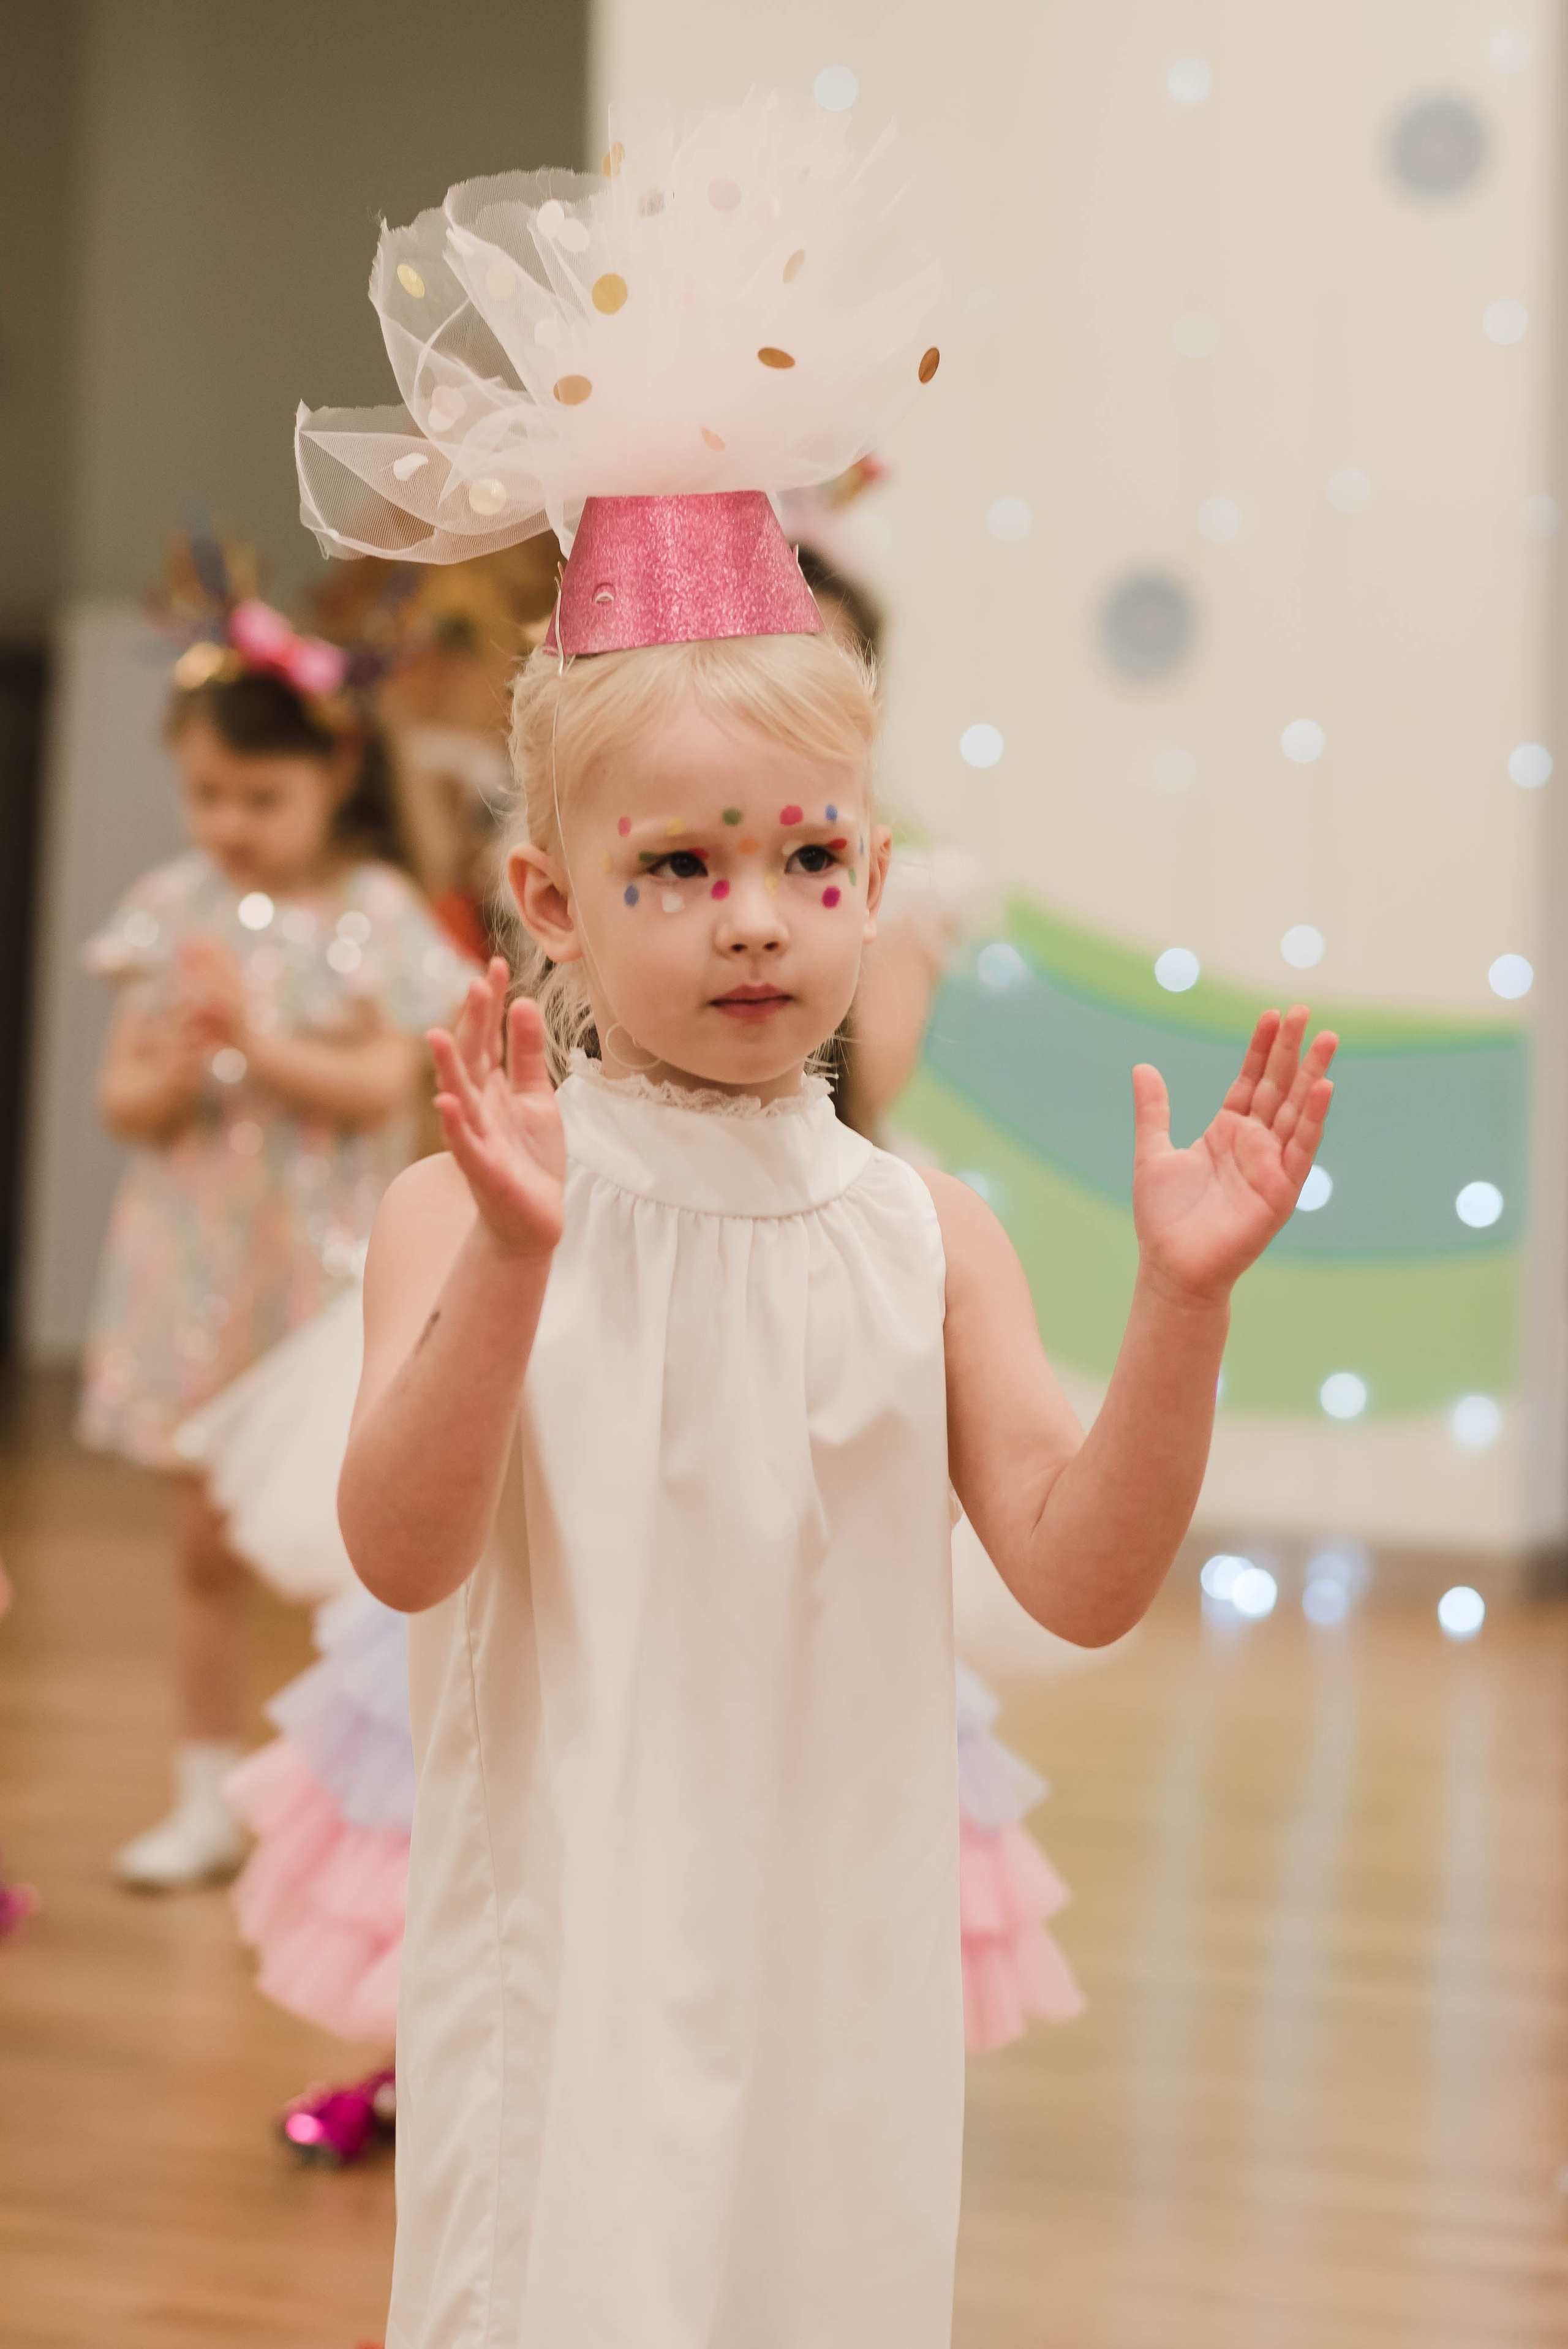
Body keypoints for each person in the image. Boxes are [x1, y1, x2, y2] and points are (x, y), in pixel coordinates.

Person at [290, 107, 1336, 2341]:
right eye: (678, 869)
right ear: (553, 901)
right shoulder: (455, 1207)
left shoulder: (920, 1230)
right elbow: (403, 1546)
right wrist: (509, 1260)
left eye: (809, 859)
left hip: (831, 1954)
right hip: (561, 1933)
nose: (754, 920)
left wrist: (1177, 1306)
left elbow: (1078, 1563)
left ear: (874, 865)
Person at [81, 590, 475, 1890]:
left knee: (339, 1551)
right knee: (203, 1549)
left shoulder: (372, 907)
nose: (228, 826)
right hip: (201, 1272)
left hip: (329, 1282)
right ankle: (205, 1796)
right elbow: (124, 1106)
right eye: (207, 794)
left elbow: (378, 1087)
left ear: (334, 772)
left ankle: (341, 1812)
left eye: (258, 795)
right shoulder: (170, 909)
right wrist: (180, 1061)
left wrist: (253, 1037)